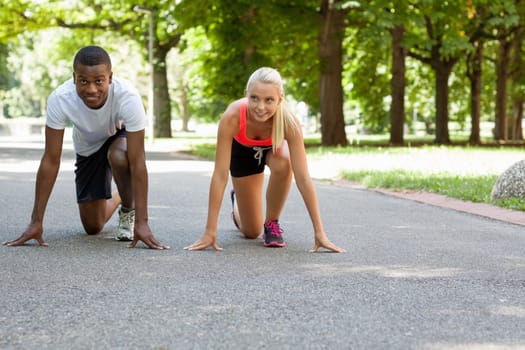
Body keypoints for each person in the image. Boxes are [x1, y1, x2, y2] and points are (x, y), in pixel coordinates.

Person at [3, 45, 169, 250]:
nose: (91, 89)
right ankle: (121, 193)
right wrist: (36, 221)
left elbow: (137, 160)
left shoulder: (128, 97)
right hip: (88, 146)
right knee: (93, 226)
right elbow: (50, 159)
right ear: (74, 78)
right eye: (83, 81)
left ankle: (128, 209)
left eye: (99, 81)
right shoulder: (60, 98)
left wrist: (142, 223)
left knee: (118, 156)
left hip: (119, 136)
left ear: (110, 78)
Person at [185, 67, 345, 253]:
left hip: (274, 152)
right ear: (246, 95)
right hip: (243, 155)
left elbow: (303, 177)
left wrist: (320, 233)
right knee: (251, 231)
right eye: (254, 98)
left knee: (284, 160)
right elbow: (220, 175)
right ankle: (238, 199)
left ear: (280, 100)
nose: (260, 107)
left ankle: (272, 223)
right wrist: (209, 232)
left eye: (269, 100)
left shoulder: (288, 122)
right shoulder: (232, 117)